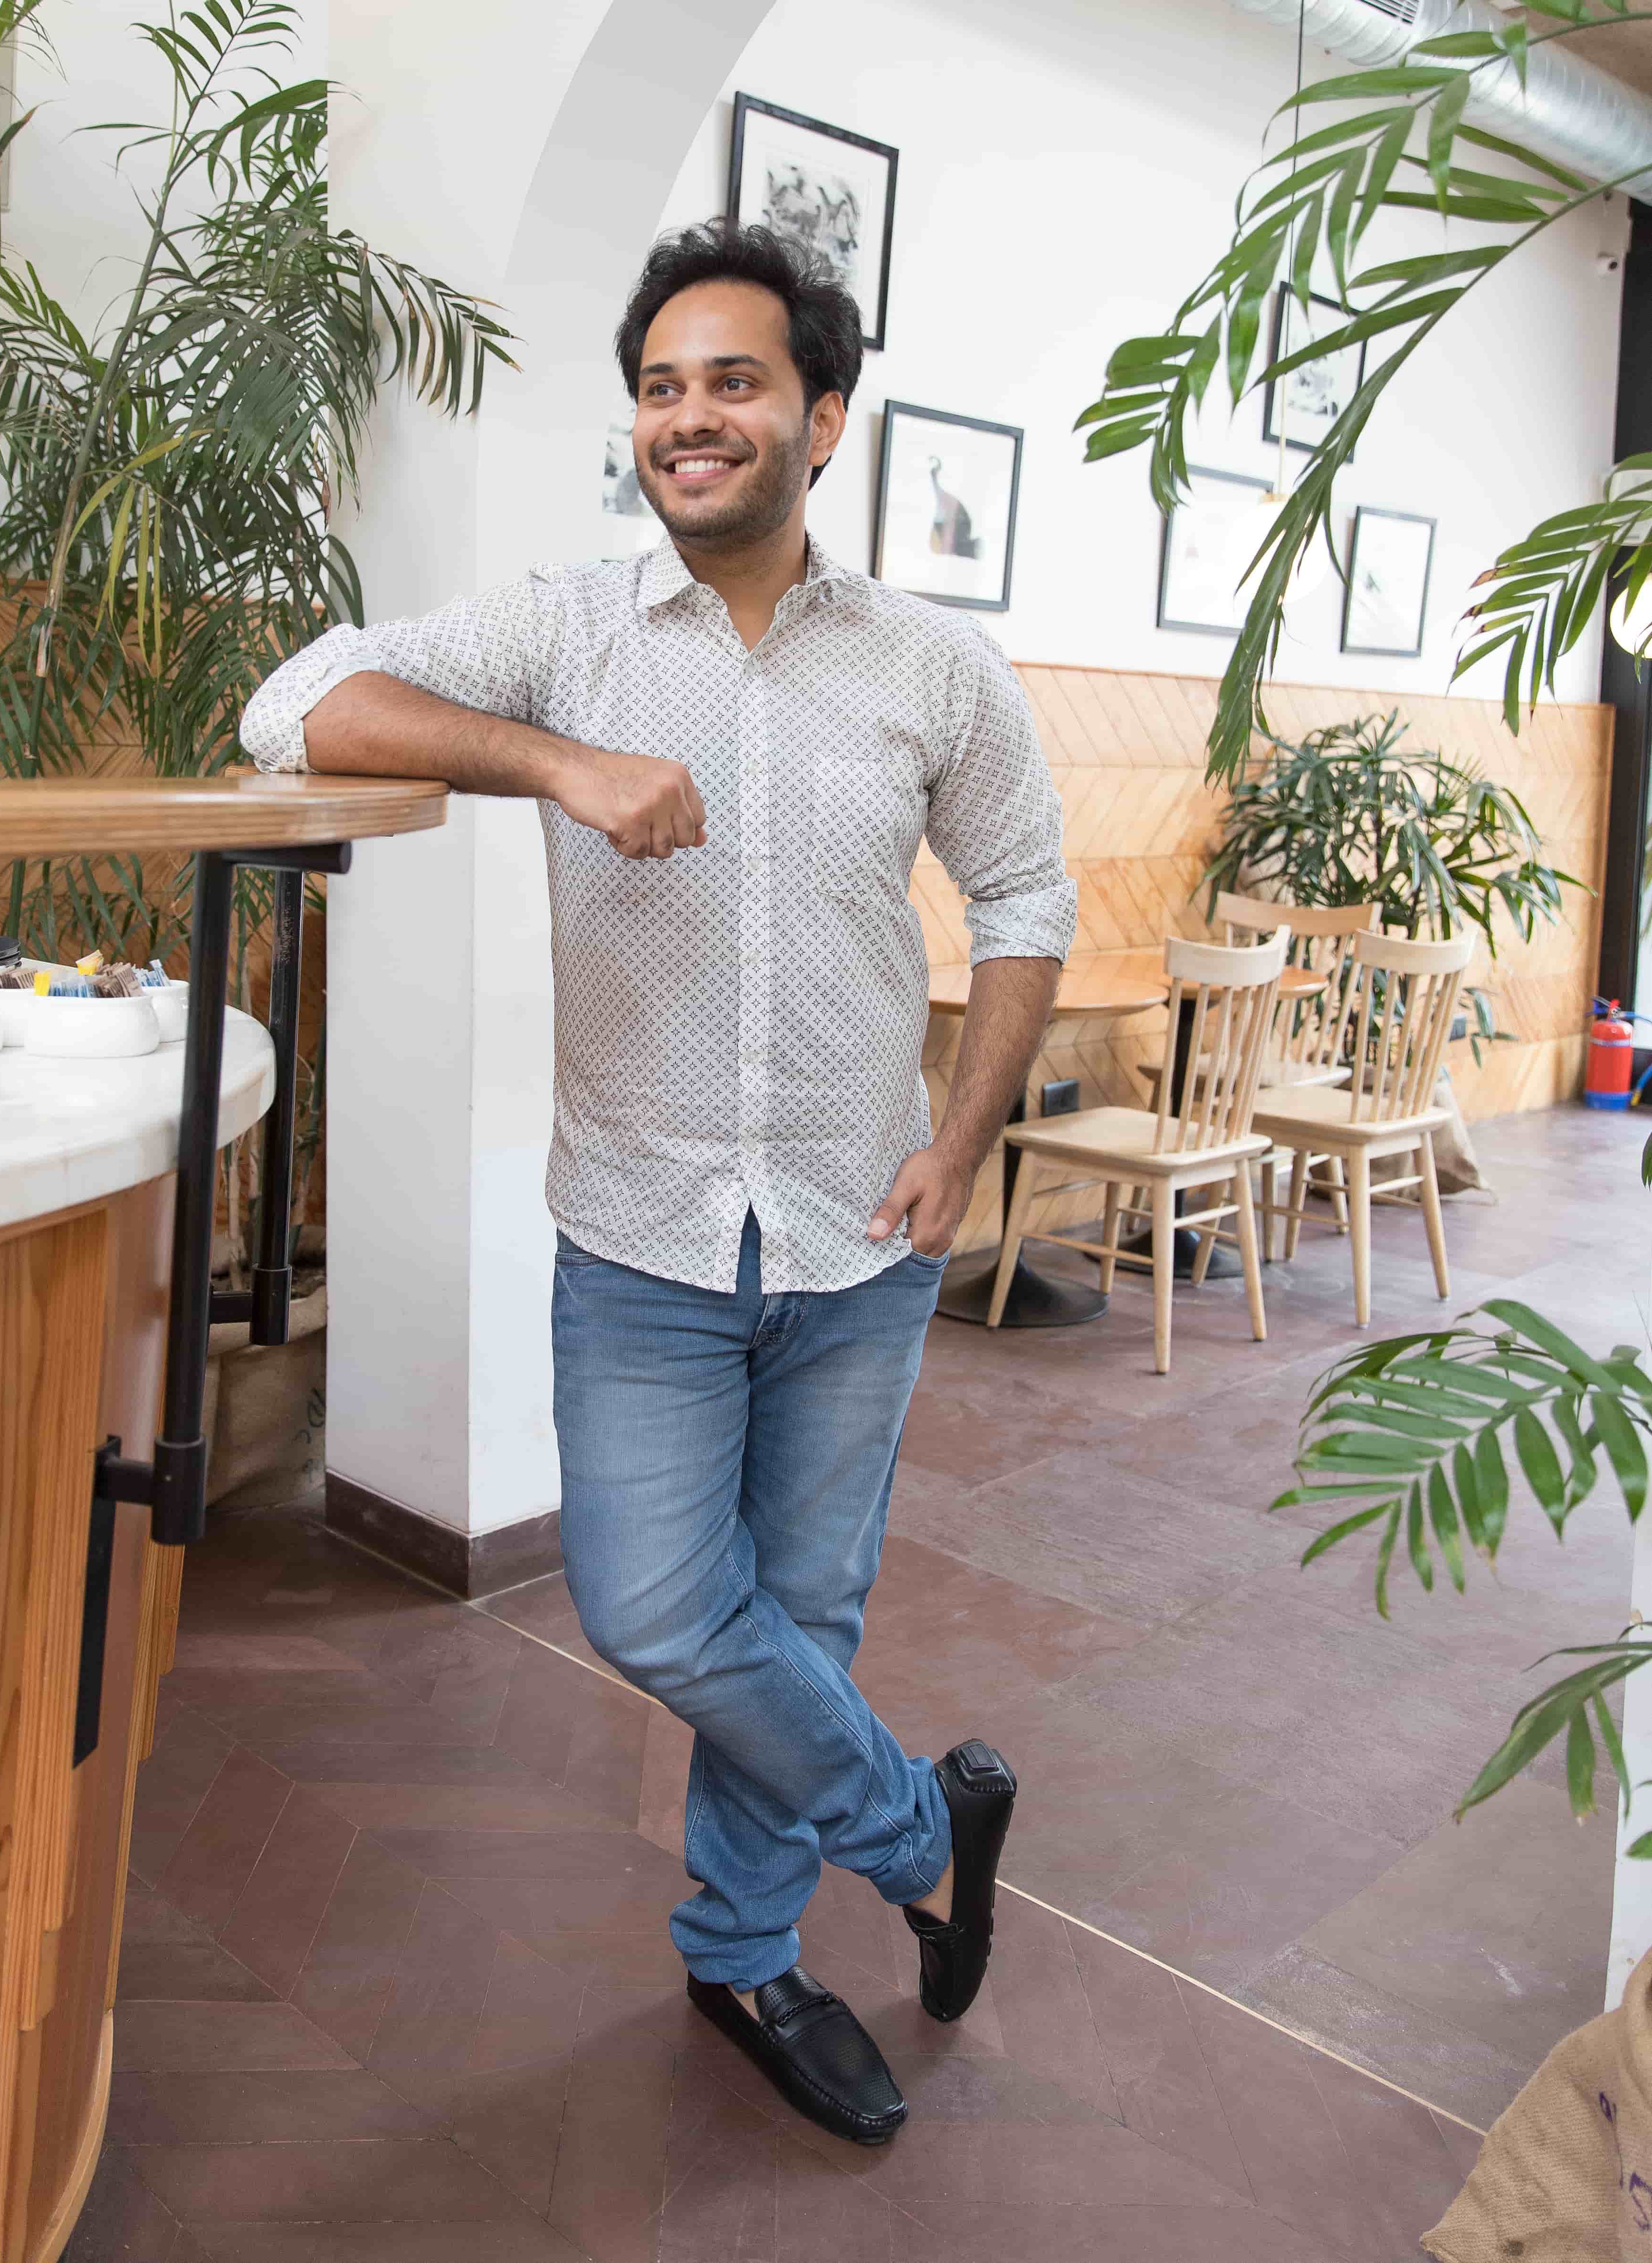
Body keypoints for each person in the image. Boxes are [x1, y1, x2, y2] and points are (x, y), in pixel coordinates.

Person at [240, 218, 1075, 2146]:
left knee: (800, 1612)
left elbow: (1027, 893)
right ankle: (918, 1833)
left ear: (822, 420)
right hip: (636, 1236)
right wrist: (554, 766)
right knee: (660, 1611)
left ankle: (742, 1951)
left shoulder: (931, 669)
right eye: (658, 386)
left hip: (861, 1239)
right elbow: (292, 706)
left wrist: (961, 1141)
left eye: (732, 381)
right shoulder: (568, 631)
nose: (687, 418)